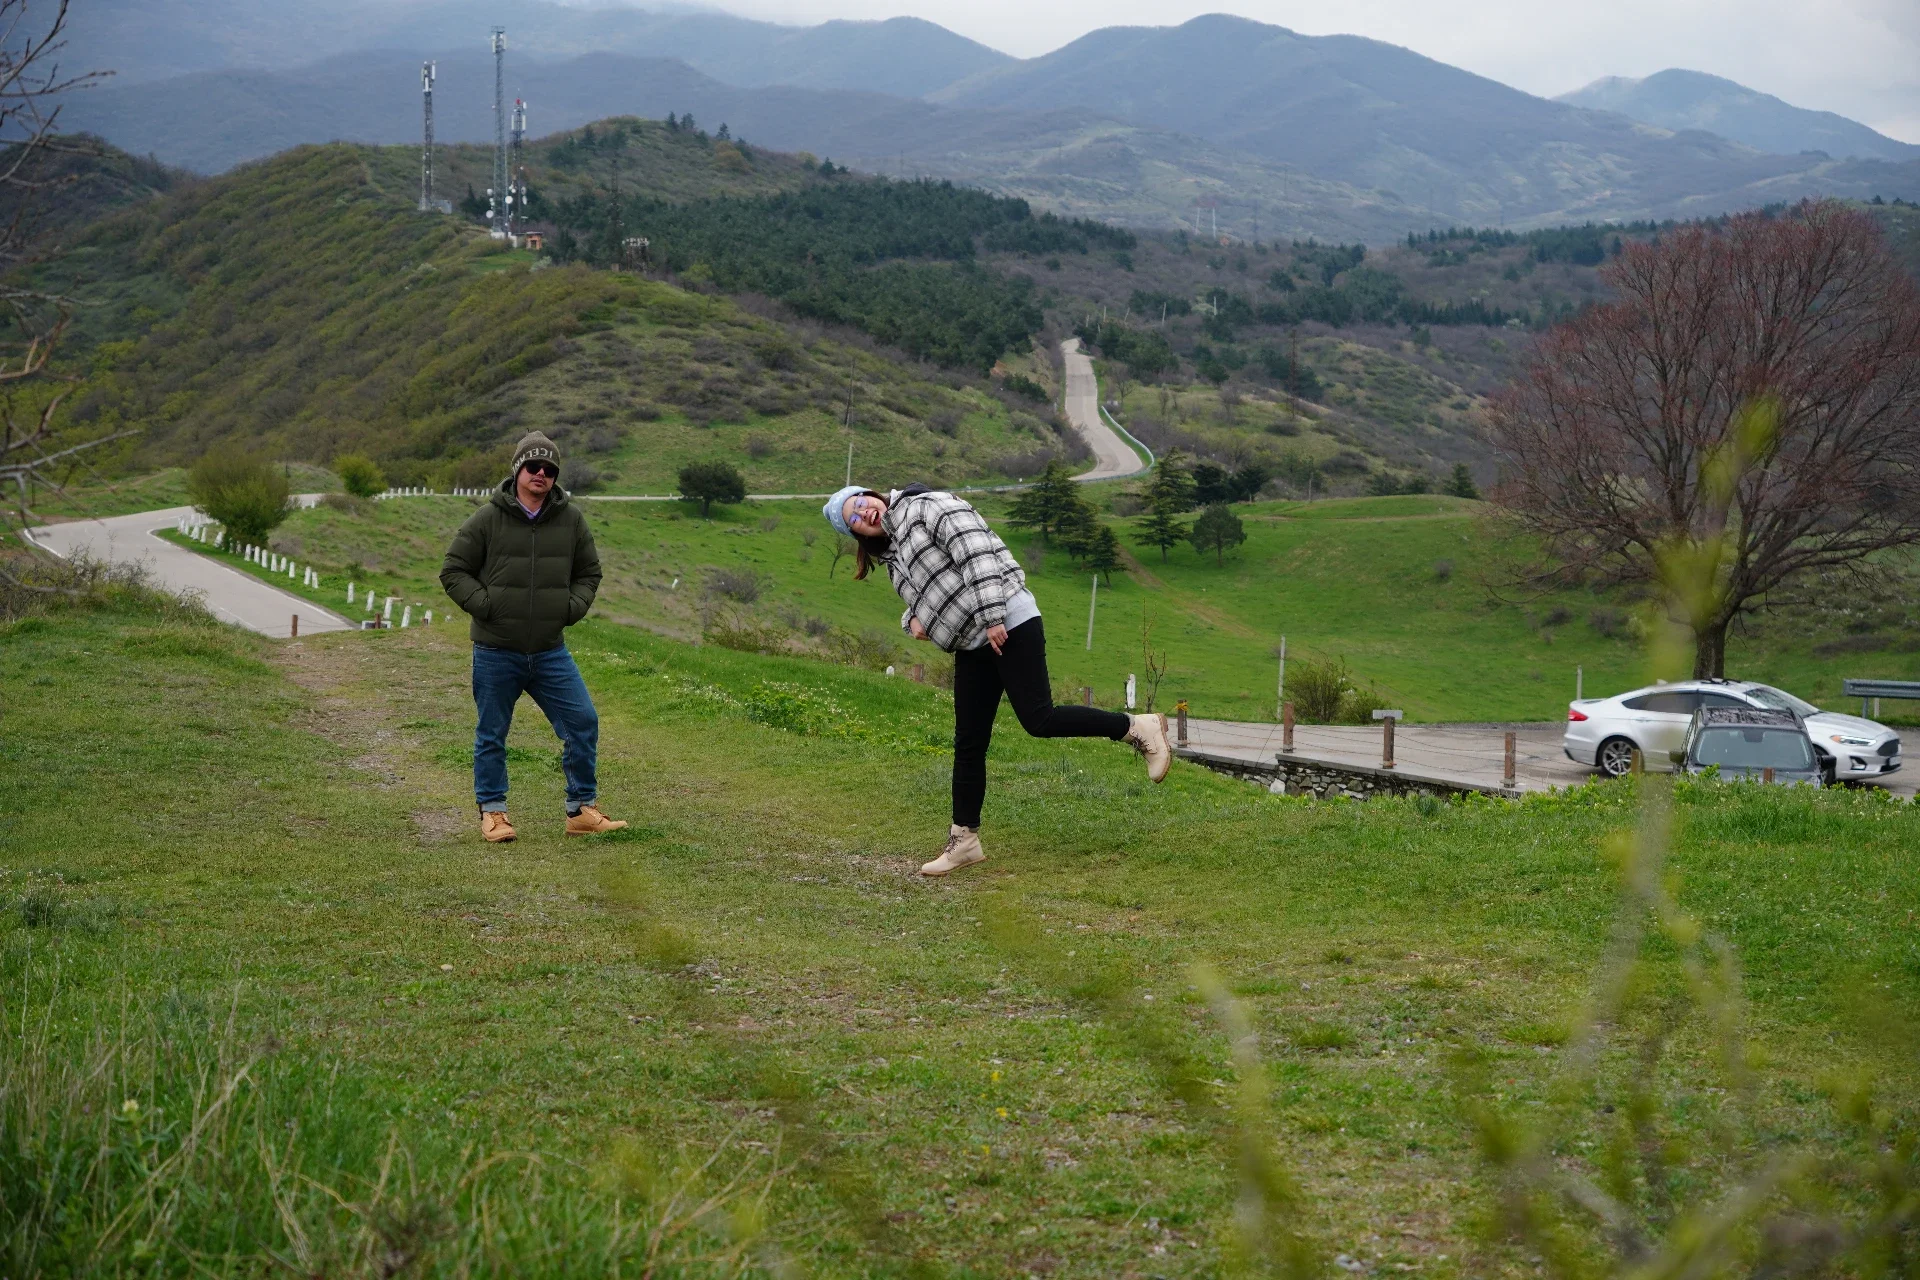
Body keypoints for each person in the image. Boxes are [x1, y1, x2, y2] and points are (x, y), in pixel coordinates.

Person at [824, 482, 1170, 876]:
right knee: (969, 742)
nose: (863, 513)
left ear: (874, 495)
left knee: (1039, 718)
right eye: (854, 518)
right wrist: (911, 620)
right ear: (857, 534)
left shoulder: (923, 508)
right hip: (973, 644)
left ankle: (1137, 727)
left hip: (1007, 620)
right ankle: (964, 840)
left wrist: (992, 617)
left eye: (861, 502)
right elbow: (926, 596)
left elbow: (977, 553)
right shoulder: (892, 555)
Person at [440, 432, 627, 843]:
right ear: (518, 470)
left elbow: (589, 574)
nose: (541, 474)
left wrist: (569, 609)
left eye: (550, 469)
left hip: (549, 652)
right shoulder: (487, 518)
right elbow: (453, 570)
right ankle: (493, 814)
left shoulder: (571, 519)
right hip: (495, 649)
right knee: (492, 733)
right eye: (533, 466)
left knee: (583, 721)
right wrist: (488, 607)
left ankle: (581, 810)